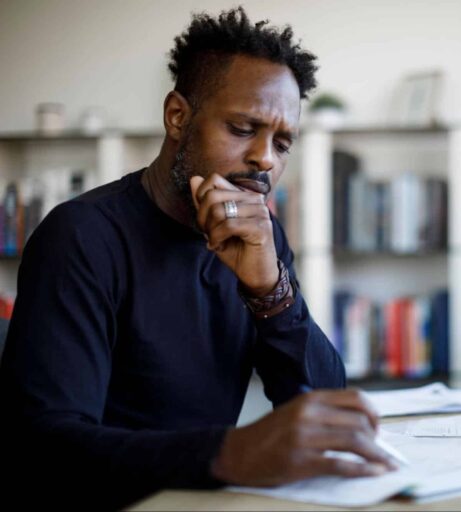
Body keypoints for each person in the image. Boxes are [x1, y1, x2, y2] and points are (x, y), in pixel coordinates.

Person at [0, 7, 396, 509]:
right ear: (178, 116)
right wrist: (229, 452)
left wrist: (269, 291)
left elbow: (321, 402)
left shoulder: (261, 234)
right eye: (242, 127)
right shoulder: (82, 236)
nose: (266, 158)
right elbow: (45, 450)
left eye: (281, 142)